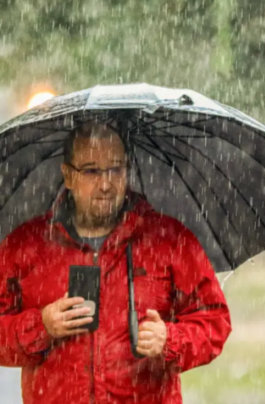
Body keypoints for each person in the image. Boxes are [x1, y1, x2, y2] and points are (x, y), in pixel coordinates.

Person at [0, 122, 232, 403]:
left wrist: (170, 339)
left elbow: (214, 321)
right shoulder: (26, 245)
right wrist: (41, 326)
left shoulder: (167, 239)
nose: (106, 184)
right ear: (68, 175)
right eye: (91, 171)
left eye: (116, 169)